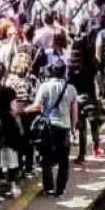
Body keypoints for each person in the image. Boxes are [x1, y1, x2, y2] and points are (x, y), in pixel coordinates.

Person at [24, 62, 78, 196]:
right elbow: (74, 111)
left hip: (48, 127)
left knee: (46, 158)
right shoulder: (71, 89)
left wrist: (23, 110)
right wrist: (73, 129)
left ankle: (48, 188)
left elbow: (37, 106)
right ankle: (60, 189)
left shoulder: (45, 87)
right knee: (63, 161)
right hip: (64, 126)